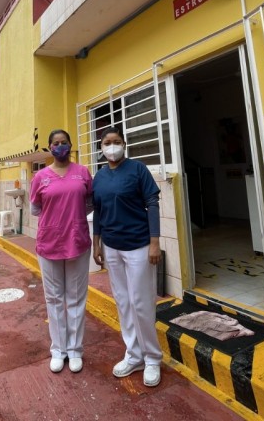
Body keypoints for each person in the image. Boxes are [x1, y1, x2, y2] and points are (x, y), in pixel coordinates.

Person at [92, 126, 163, 387]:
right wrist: (96, 242)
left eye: (117, 141)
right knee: (123, 302)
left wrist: (154, 242)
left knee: (141, 302)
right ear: (101, 148)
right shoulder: (98, 177)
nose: (112, 146)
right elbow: (98, 211)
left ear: (124, 144)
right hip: (111, 247)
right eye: (107, 143)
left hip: (138, 246)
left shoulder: (137, 169)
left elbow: (152, 203)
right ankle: (134, 355)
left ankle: (153, 357)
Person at [30, 129, 93, 374]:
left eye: (64, 142)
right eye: (55, 143)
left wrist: (71, 219)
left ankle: (75, 350)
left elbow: (88, 203)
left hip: (77, 242)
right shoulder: (40, 177)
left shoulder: (83, 173)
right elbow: (35, 209)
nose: (60, 146)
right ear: (49, 147)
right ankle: (59, 350)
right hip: (49, 244)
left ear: (70, 145)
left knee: (76, 298)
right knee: (54, 299)